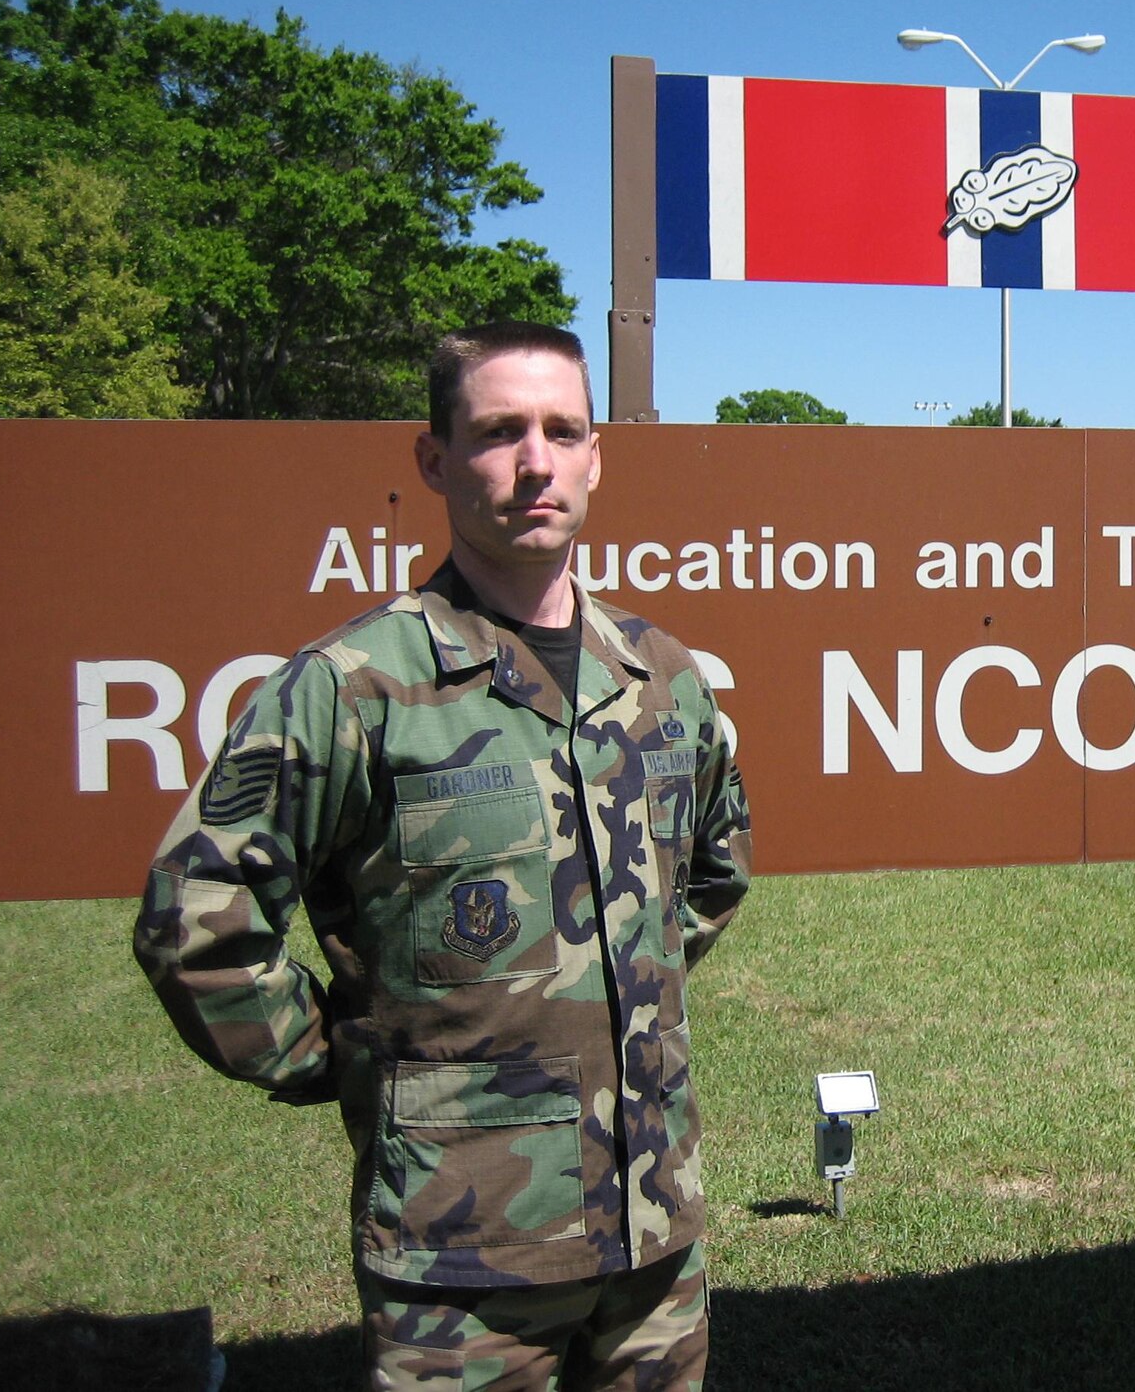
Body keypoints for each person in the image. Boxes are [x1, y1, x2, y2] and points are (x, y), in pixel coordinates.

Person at [134, 321, 752, 1391]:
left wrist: (618, 994)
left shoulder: (660, 675)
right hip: (461, 1254)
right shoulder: (353, 688)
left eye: (563, 430)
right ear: (435, 459)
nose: (534, 461)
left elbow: (712, 868)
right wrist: (346, 1059)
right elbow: (198, 916)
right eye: (498, 430)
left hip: (655, 1235)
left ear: (595, 456)